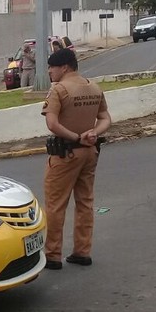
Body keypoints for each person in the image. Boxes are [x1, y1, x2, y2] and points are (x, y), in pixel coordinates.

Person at [40, 47, 111, 270]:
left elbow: (52, 124)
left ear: (64, 67)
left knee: (55, 204)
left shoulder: (59, 90)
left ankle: (52, 255)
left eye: (52, 66)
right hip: (90, 152)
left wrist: (74, 137)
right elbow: (105, 118)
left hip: (65, 153)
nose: (50, 71)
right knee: (85, 202)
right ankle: (82, 251)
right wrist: (93, 134)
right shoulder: (94, 87)